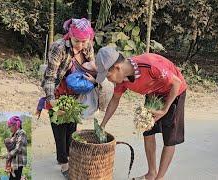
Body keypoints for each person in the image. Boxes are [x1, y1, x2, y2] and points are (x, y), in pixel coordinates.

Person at [95, 47, 187, 180]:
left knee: (169, 138)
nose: (109, 80)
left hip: (174, 92)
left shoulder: (149, 65)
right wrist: (102, 125)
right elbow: (114, 101)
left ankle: (159, 178)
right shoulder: (122, 81)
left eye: (108, 76)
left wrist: (165, 110)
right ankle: (151, 173)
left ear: (117, 67)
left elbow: (176, 83)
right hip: (154, 92)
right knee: (147, 130)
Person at [40, 18, 96, 178]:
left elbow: (92, 69)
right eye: (77, 41)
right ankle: (64, 162)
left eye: (84, 41)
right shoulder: (58, 48)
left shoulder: (88, 46)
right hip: (58, 90)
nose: (80, 45)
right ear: (70, 36)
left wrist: (93, 78)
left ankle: (68, 156)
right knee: (59, 128)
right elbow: (50, 77)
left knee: (71, 127)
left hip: (76, 92)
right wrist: (51, 99)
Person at [4, 116, 28, 180]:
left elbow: (18, 149)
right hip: (14, 161)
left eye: (10, 126)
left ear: (15, 124)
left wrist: (7, 155)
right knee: (13, 177)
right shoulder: (14, 134)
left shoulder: (22, 133)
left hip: (19, 161)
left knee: (15, 177)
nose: (9, 129)